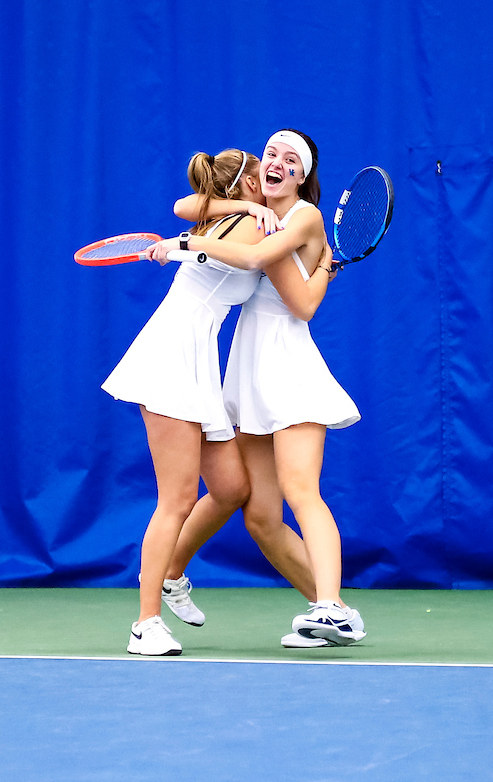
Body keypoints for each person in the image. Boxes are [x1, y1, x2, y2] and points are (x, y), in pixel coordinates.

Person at [147, 129, 365, 649]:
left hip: (290, 369)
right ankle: (330, 611)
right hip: (247, 374)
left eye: (291, 160)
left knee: (300, 490)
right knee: (262, 517)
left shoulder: (304, 218)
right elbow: (186, 203)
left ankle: (331, 608)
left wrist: (183, 245)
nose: (276, 163)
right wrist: (248, 212)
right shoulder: (252, 212)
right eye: (271, 154)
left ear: (303, 177)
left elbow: (295, 298)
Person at [104, 147, 320, 656]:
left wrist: (217, 222)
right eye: (259, 173)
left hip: (198, 363)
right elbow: (244, 257)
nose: (270, 178)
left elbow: (185, 206)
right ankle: (145, 623)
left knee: (230, 488)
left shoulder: (225, 215)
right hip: (170, 359)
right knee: (176, 498)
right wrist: (187, 244)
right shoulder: (247, 226)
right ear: (246, 184)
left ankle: (174, 572)